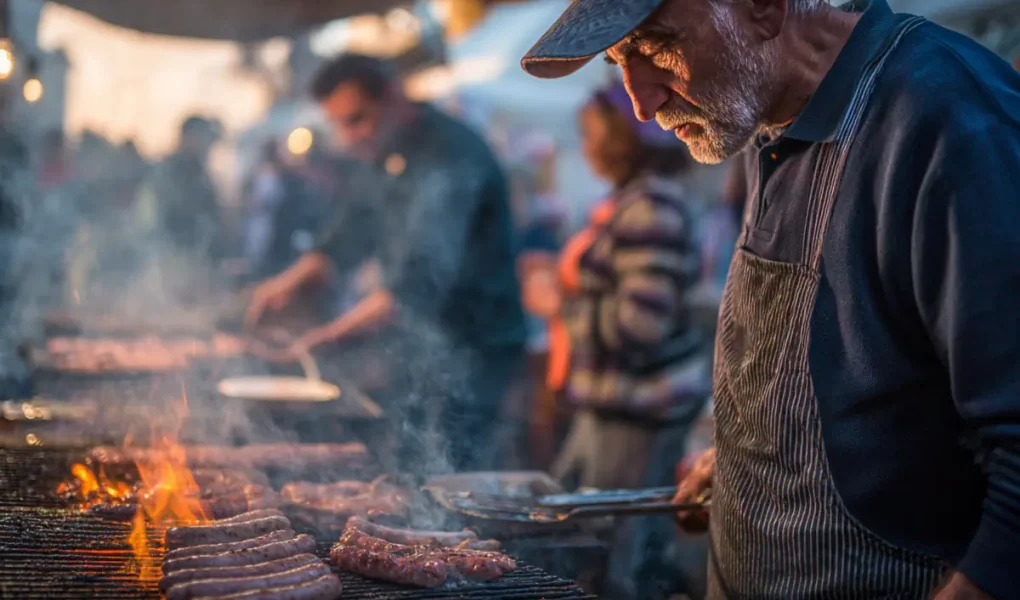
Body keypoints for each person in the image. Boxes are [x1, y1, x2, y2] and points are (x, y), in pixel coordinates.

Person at [522, 0, 1020, 599]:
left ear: (762, 8)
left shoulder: (951, 121)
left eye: (655, 45)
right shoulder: (764, 116)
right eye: (618, 60)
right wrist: (747, 462)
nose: (641, 103)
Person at [245, 54, 527, 473]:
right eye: (339, 124)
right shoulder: (382, 153)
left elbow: (414, 286)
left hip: (473, 347)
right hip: (416, 344)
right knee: (407, 460)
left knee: (454, 471)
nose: (350, 136)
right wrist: (286, 283)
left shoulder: (451, 156)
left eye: (357, 119)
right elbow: (348, 233)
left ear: (394, 96)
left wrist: (322, 338)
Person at [522, 80, 709, 599]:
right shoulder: (631, 202)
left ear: (624, 137)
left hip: (637, 413)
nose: (585, 147)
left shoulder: (651, 207)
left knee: (622, 562)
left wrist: (557, 303)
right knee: (591, 544)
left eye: (591, 134)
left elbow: (640, 324)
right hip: (609, 408)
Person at [136, 116, 225, 265]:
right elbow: (154, 219)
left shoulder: (201, 174)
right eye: (202, 137)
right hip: (169, 258)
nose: (207, 145)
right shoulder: (167, 172)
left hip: (198, 260)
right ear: (187, 137)